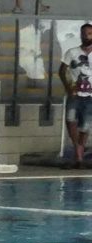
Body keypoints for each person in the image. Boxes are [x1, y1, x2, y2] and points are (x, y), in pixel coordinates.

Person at [58, 23, 92, 169]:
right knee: (70, 119)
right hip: (75, 93)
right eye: (84, 33)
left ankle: (78, 156)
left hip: (90, 96)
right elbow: (61, 71)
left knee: (85, 125)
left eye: (89, 33)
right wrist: (68, 86)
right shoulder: (71, 52)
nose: (86, 36)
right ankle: (78, 151)